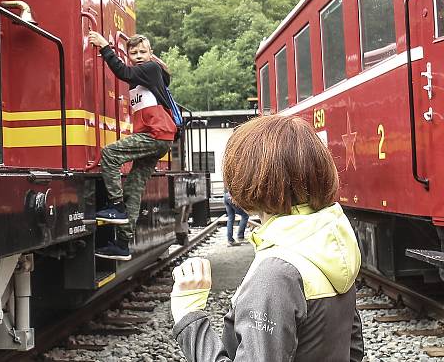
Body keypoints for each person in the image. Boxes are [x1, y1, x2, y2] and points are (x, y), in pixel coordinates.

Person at [170, 115, 363, 362]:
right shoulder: (330, 244)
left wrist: (189, 316)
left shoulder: (276, 274)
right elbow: (353, 350)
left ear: (252, 179)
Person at [87, 32, 176, 261]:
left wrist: (105, 47)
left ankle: (116, 207)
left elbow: (122, 72)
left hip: (157, 134)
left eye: (143, 52)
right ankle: (123, 244)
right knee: (134, 189)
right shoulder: (146, 74)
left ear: (151, 53)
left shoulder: (149, 69)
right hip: (158, 137)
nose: (138, 56)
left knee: (110, 153)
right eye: (133, 53)